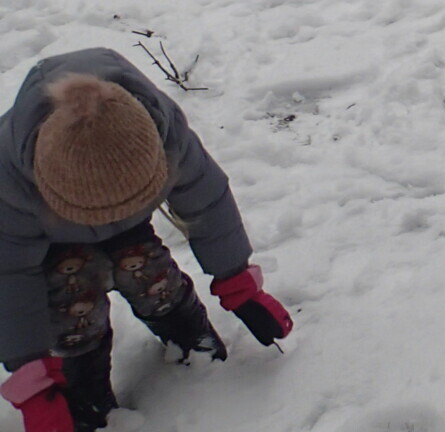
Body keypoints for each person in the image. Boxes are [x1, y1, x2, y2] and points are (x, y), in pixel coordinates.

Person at [0, 49, 293, 432]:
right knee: (73, 298)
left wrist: (238, 282)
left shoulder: (163, 133)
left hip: (131, 226)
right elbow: (9, 276)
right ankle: (82, 382)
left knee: (146, 268)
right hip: (54, 244)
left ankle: (185, 329)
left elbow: (208, 203)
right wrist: (33, 380)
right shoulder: (11, 184)